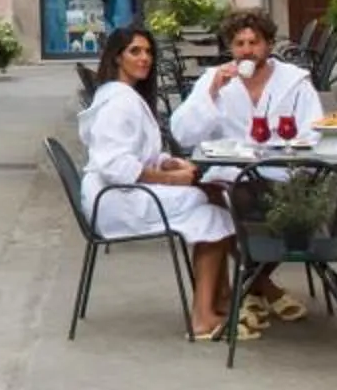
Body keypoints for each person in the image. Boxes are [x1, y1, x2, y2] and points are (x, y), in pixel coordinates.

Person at [77, 25, 245, 340]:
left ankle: (221, 300)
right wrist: (171, 178)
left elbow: (134, 153)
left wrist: (165, 161)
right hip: (114, 202)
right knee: (213, 214)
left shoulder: (123, 96)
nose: (145, 59)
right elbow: (115, 165)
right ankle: (203, 317)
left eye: (148, 52)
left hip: (117, 193)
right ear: (117, 58)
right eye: (135, 52)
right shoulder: (118, 103)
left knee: (211, 194)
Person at [170, 8, 323, 324]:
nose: (247, 50)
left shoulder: (295, 83)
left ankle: (250, 286)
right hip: (232, 177)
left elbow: (315, 132)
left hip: (283, 174)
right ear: (230, 48)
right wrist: (211, 94)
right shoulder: (216, 79)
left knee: (300, 207)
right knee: (215, 197)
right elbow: (182, 133)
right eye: (239, 43)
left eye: (254, 42)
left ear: (268, 45)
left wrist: (290, 148)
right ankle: (262, 287)